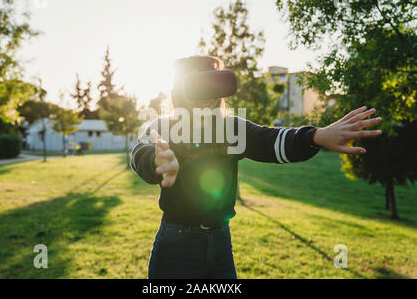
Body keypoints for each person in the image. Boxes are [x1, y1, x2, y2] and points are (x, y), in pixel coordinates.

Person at [131, 56, 382, 279]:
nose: (211, 94)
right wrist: (157, 161)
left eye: (217, 84)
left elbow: (270, 141)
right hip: (176, 244)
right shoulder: (163, 126)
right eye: (202, 84)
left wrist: (316, 136)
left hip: (220, 244)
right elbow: (139, 152)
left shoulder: (230, 128)